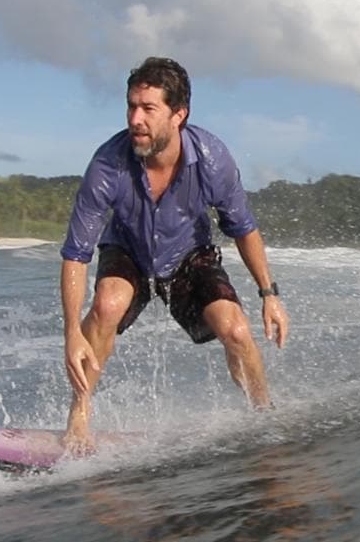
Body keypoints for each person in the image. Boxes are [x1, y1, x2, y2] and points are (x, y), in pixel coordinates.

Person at [59, 56, 288, 452]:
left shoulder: (212, 160)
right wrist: (70, 334)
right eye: (132, 106)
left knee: (235, 330)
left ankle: (263, 415)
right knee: (108, 305)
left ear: (178, 114)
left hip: (189, 255)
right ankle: (78, 418)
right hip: (127, 248)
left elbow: (244, 229)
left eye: (148, 108)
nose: (135, 119)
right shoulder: (107, 165)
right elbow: (76, 254)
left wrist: (269, 295)